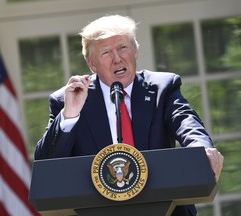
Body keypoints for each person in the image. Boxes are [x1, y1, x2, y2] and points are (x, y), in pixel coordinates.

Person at [34, 15, 224, 216]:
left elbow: (186, 121)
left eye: (123, 47)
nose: (117, 58)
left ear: (135, 51)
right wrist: (70, 114)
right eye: (106, 52)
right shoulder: (69, 99)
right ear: (92, 64)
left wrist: (201, 149)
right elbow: (46, 164)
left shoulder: (162, 87)